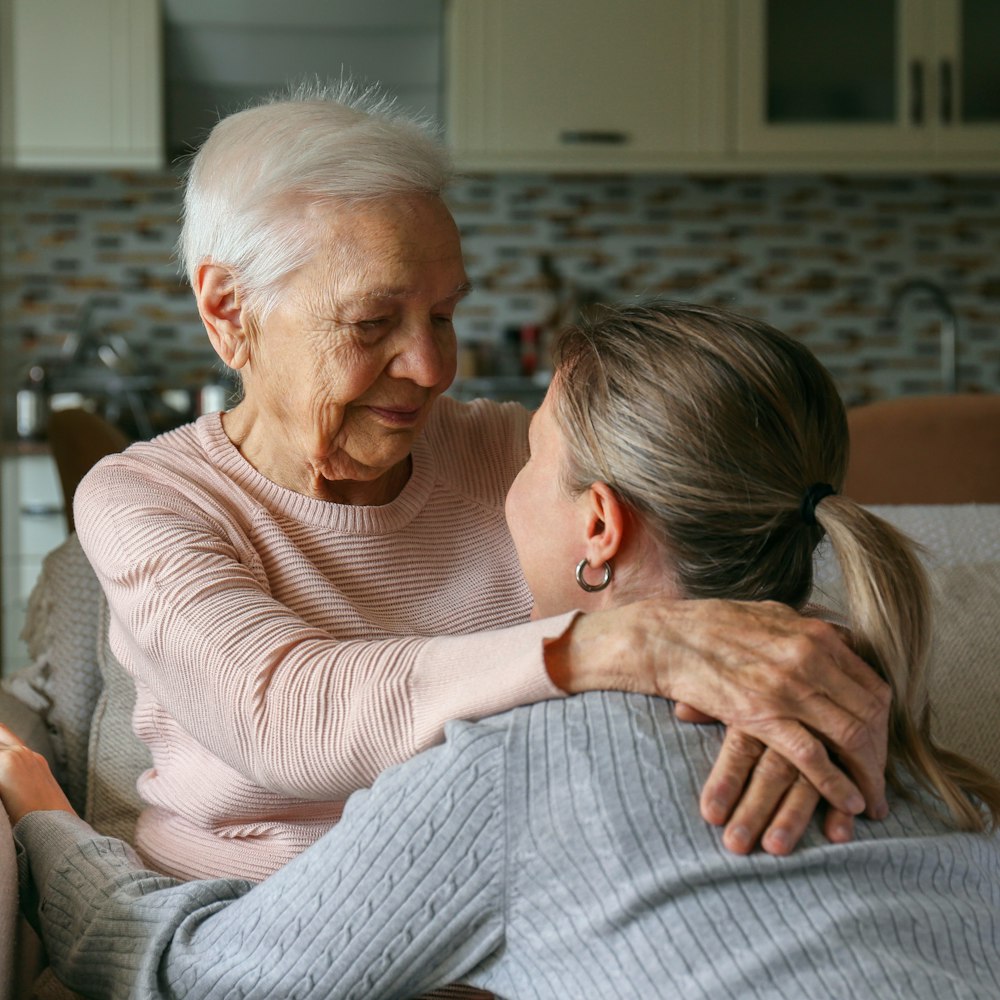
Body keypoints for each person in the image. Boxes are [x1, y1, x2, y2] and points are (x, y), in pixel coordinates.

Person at [6, 301, 999, 999]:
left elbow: (195, 974)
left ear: (599, 526)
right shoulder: (904, 754)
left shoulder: (518, 770)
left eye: (530, 458)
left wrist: (46, 813)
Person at [68, 82, 885, 886]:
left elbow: (733, 551)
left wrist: (817, 690)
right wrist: (620, 644)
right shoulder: (148, 498)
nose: (431, 368)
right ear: (227, 311)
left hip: (512, 924)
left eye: (445, 315)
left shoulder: (519, 455)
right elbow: (282, 714)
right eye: (372, 323)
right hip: (247, 929)